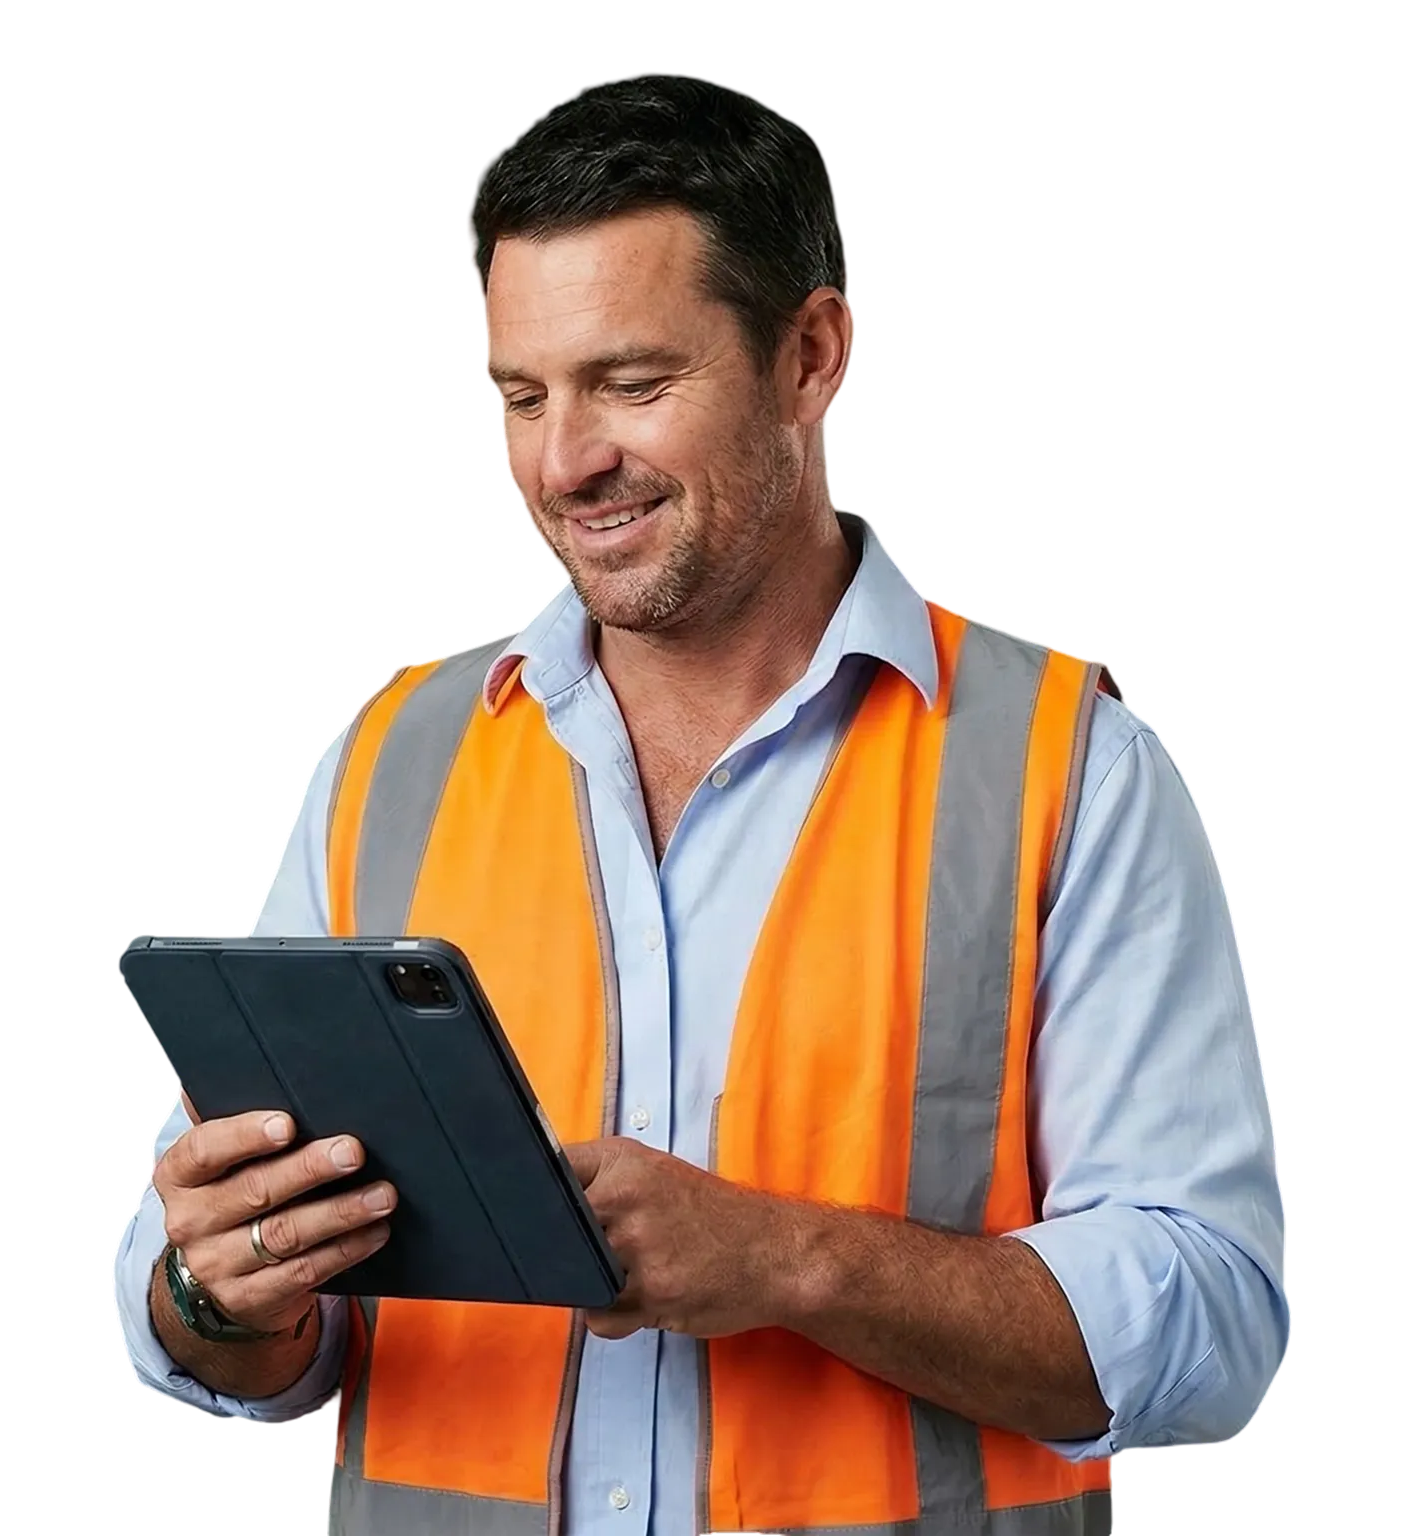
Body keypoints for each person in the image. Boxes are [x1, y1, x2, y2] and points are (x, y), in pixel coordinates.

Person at [113, 71, 1288, 1535]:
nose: (562, 462)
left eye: (631, 384)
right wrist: (212, 1292)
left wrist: (797, 1259)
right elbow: (245, 1326)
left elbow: (1220, 1326)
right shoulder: (388, 758)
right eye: (521, 396)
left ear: (811, 354)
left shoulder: (1067, 771)